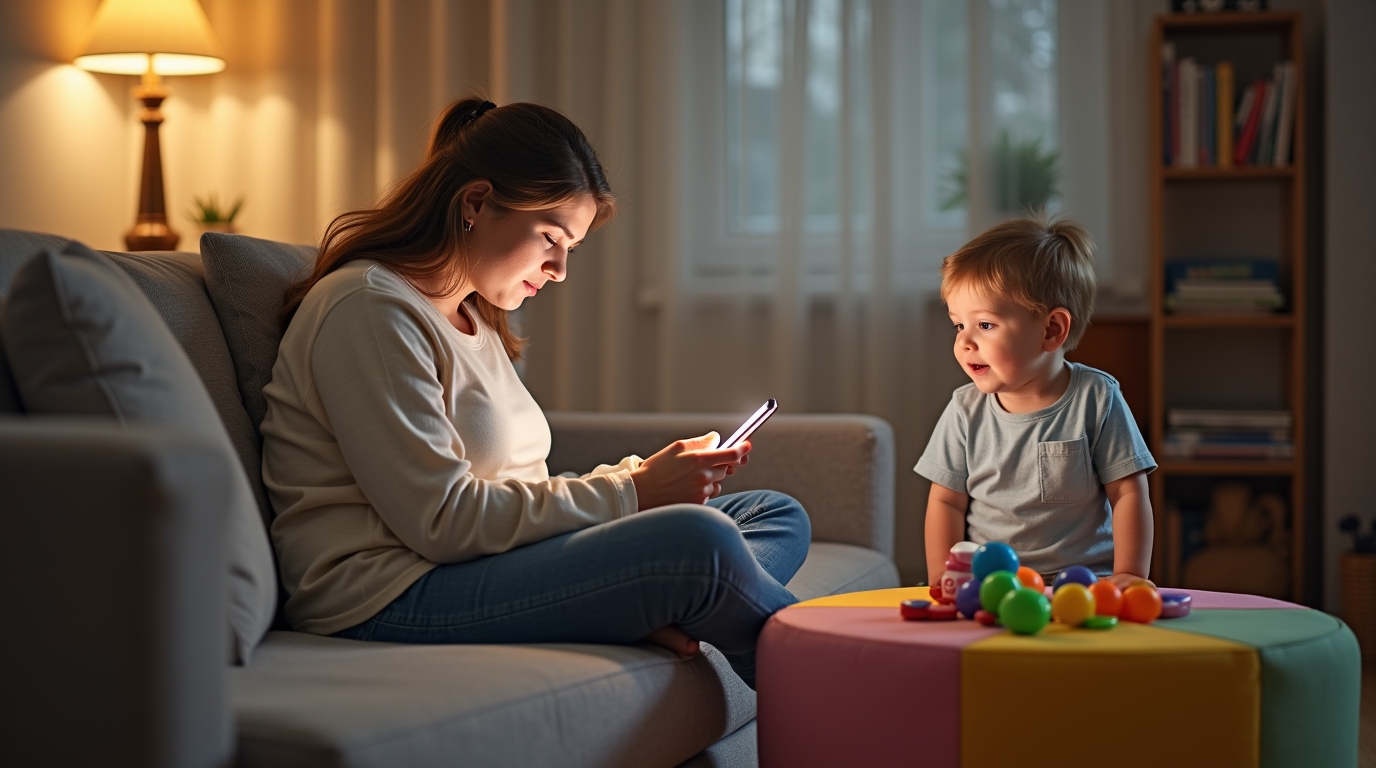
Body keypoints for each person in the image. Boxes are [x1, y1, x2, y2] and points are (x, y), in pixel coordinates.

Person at [258, 97, 810, 688]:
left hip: (483, 560)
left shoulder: (472, 313)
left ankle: (655, 606)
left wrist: (638, 478)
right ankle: (843, 682)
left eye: (569, 248)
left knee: (772, 514)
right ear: (475, 203)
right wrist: (635, 493)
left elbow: (517, 494)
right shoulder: (367, 309)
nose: (559, 269)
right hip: (387, 592)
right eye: (551, 237)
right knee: (696, 542)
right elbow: (442, 520)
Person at [916, 213, 1156, 594]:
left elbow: (1128, 492)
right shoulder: (964, 409)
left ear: (1051, 330)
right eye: (959, 325)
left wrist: (1130, 573)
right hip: (990, 588)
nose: (965, 342)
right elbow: (946, 502)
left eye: (986, 325)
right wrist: (942, 578)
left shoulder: (1097, 398)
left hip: (1084, 587)